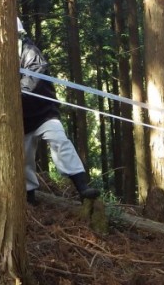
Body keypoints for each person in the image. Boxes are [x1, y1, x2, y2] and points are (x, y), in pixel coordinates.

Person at [17, 18, 99, 205]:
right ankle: (29, 197)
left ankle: (82, 186)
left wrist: (14, 96)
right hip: (21, 119)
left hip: (44, 114)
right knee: (24, 158)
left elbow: (31, 81)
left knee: (60, 142)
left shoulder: (30, 52)